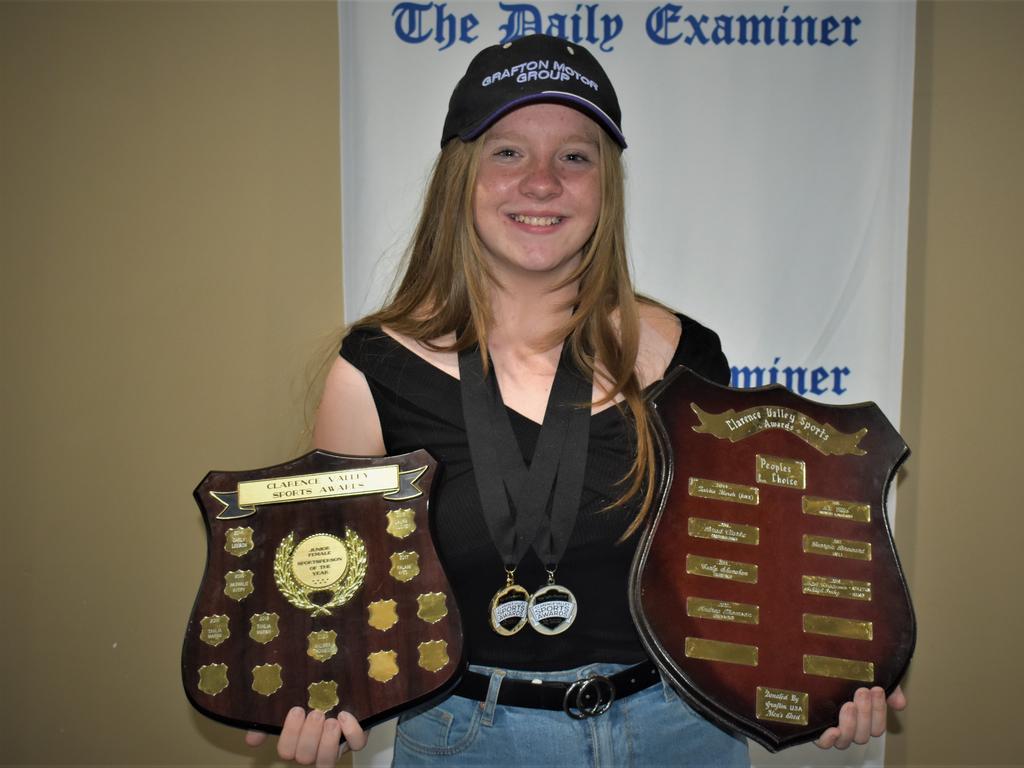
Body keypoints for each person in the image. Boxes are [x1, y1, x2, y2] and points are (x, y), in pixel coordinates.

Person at [247, 33, 906, 767]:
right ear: (459, 174)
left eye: (574, 155)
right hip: (471, 739)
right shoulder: (372, 371)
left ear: (605, 183)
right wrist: (308, 689)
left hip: (681, 730)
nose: (540, 182)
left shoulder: (688, 356)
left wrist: (828, 668)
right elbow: (327, 590)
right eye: (507, 151)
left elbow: (746, 560)